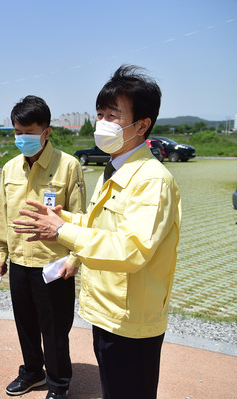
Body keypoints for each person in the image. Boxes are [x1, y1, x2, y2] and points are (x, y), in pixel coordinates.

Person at [13, 65, 181, 399]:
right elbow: (98, 226)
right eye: (100, 114)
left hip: (130, 323)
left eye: (113, 115)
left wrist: (62, 230)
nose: (102, 123)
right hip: (108, 313)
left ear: (143, 124)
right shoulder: (115, 170)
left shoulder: (151, 179)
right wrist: (65, 221)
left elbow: (131, 250)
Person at [0, 95, 86, 399]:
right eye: (17, 132)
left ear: (47, 132)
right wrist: (1, 252)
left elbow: (81, 218)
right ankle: (33, 372)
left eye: (29, 132)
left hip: (54, 266)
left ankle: (59, 384)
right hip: (19, 261)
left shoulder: (68, 167)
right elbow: (2, 214)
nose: (22, 138)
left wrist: (76, 258)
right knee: (26, 325)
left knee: (56, 330)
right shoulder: (9, 169)